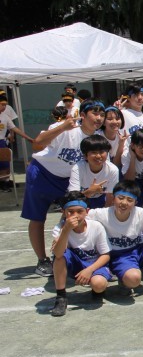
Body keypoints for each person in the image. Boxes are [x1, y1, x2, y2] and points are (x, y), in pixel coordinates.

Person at [22, 100, 105, 277]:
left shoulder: (98, 138)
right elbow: (37, 144)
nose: (99, 118)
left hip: (67, 179)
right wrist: (62, 127)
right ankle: (42, 260)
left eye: (102, 114)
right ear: (83, 115)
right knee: (37, 218)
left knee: (70, 214)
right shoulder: (66, 128)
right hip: (42, 173)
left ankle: (63, 254)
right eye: (95, 113)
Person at [87, 180, 143, 298]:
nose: (124, 203)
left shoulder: (141, 213)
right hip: (110, 255)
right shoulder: (101, 214)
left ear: (135, 202)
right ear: (113, 198)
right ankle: (121, 277)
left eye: (130, 200)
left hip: (134, 253)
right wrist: (87, 194)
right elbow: (75, 212)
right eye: (120, 198)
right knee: (103, 283)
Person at [50, 191, 111, 317]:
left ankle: (97, 290)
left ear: (87, 211)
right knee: (59, 258)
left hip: (94, 264)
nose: (75, 216)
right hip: (75, 264)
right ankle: (61, 297)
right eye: (70, 212)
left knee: (99, 284)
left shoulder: (96, 226)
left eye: (79, 211)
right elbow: (58, 254)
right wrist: (65, 230)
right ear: (63, 212)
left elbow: (106, 255)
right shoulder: (59, 228)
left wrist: (89, 270)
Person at [68, 135, 119, 209]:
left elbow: (110, 197)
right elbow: (73, 198)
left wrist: (104, 213)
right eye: (94, 152)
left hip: (101, 199)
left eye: (101, 152)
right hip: (81, 200)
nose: (98, 156)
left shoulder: (113, 170)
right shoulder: (78, 168)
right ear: (85, 156)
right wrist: (90, 191)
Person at [0, 96, 34, 191]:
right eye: (2, 104)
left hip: (1, 142)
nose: (4, 107)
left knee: (5, 164)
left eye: (5, 105)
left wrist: (28, 138)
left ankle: (4, 182)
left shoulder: (5, 117)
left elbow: (14, 128)